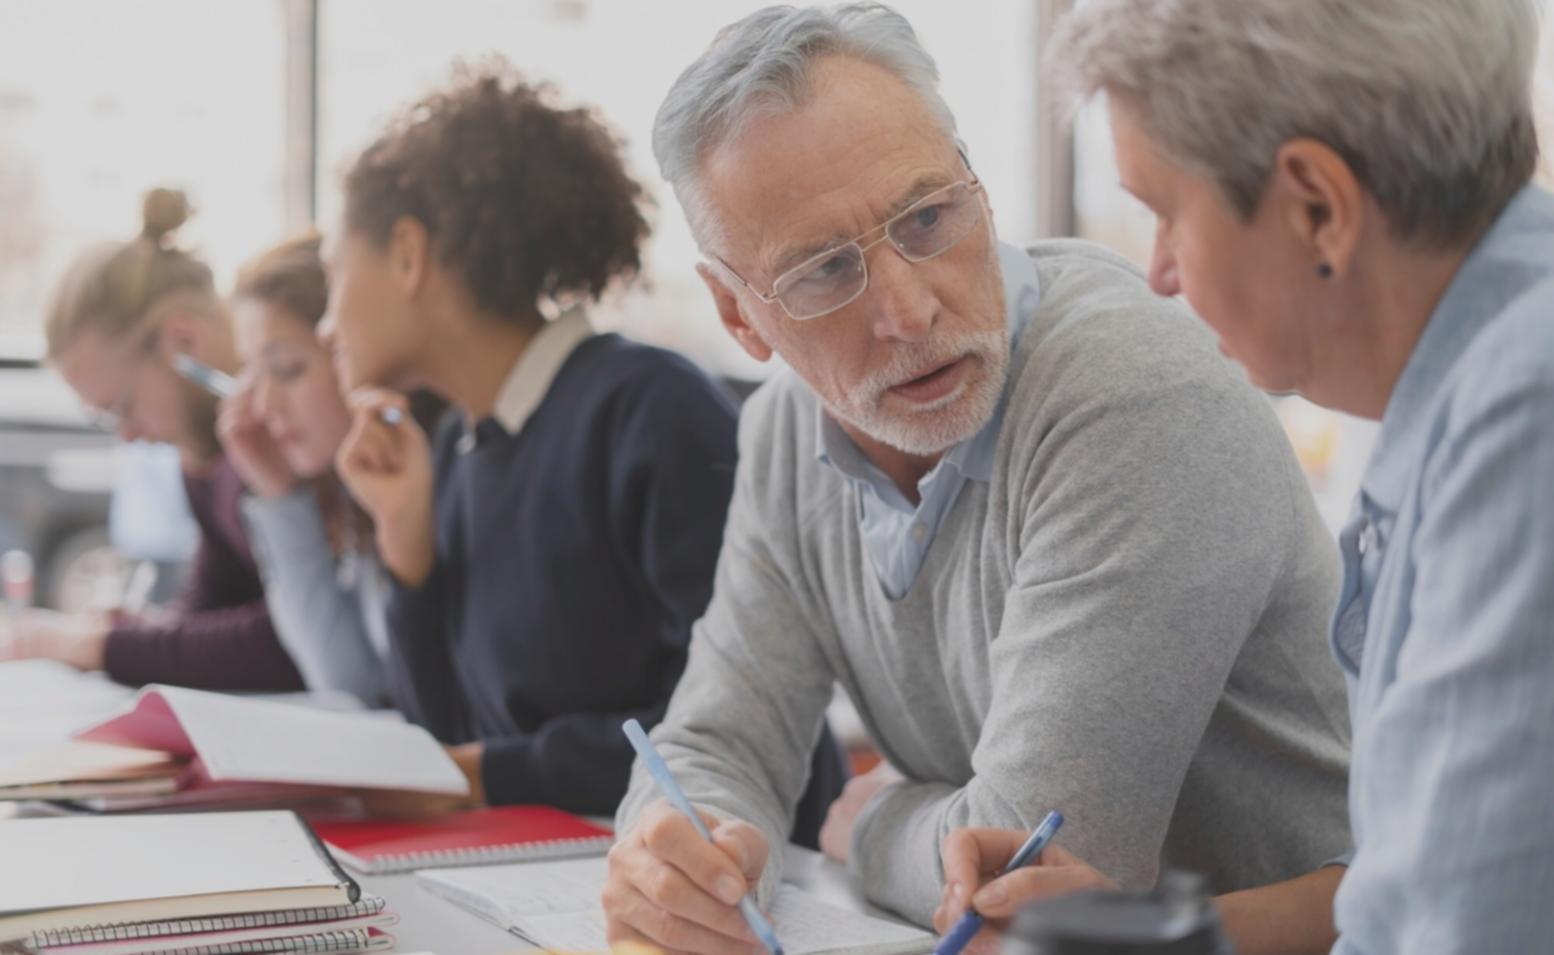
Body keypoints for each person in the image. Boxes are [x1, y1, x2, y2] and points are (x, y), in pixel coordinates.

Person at [602, 5, 1351, 951]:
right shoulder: (786, 432)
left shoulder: (1132, 392)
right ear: (739, 315)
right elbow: (713, 743)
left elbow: (1039, 877)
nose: (909, 310)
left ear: (981, 192)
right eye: (825, 272)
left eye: (927, 216)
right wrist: (674, 850)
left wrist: (868, 819)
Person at [939, 2, 1554, 954]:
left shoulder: (1526, 421)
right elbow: (1415, 887)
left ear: (1318, 206)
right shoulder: (1450, 386)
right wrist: (1145, 933)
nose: (1159, 275)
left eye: (1166, 211)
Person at [320, 61, 847, 831]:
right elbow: (448, 743)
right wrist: (410, 554)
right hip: (562, 875)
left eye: (334, 277)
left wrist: (490, 770)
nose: (328, 323)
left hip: (747, 886)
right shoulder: (457, 451)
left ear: (408, 254)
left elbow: (751, 718)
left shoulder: (648, 409)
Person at [0, 189, 302, 691]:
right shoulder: (204, 460)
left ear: (182, 343)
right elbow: (214, 605)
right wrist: (144, 631)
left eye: (123, 407)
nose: (129, 436)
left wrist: (95, 646)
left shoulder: (287, 440)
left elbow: (291, 640)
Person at [218, 233, 395, 706]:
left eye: (290, 369)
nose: (264, 405)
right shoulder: (349, 497)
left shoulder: (416, 485)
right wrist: (279, 495)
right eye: (254, 374)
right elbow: (347, 680)